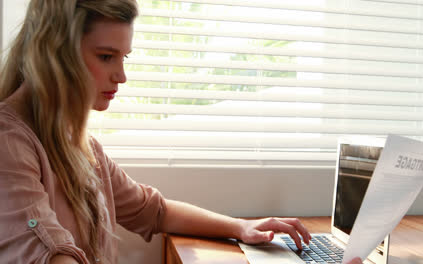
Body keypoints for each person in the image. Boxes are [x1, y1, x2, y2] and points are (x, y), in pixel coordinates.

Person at [0, 1, 363, 263]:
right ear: (55, 53)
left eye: (124, 58)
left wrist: (241, 227)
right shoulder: (9, 143)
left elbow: (152, 210)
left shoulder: (80, 148)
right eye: (107, 57)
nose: (121, 77)